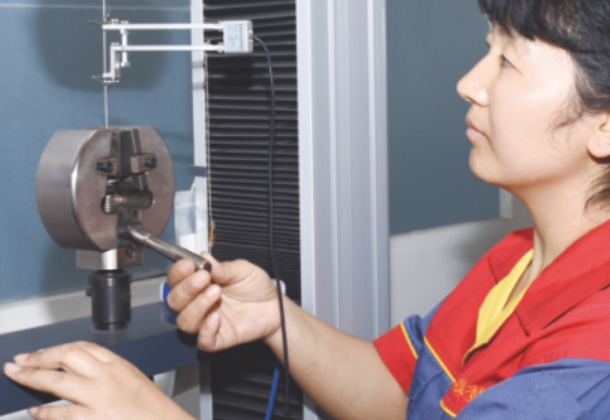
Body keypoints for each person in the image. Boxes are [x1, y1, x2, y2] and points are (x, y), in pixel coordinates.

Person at [5, 0, 610, 418]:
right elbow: (397, 392)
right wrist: (275, 318)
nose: (470, 83)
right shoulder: (516, 261)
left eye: (508, 61)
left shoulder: (590, 366)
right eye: (487, 48)